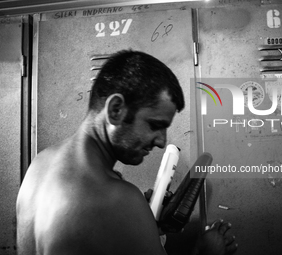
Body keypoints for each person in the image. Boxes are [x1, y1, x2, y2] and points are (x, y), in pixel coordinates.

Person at [16, 50, 238, 255]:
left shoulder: (40, 165)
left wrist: (150, 226)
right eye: (154, 125)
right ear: (116, 110)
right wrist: (205, 252)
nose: (162, 142)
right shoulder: (118, 200)